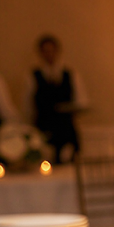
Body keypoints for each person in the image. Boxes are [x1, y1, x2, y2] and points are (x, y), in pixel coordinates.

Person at [27, 35, 87, 163]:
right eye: (45, 51)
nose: (49, 54)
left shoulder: (70, 74)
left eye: (51, 50)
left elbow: (81, 100)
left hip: (66, 127)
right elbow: (27, 105)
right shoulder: (32, 76)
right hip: (43, 127)